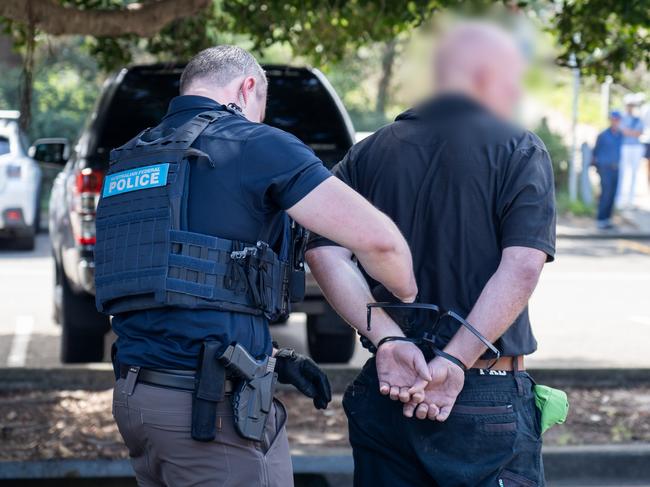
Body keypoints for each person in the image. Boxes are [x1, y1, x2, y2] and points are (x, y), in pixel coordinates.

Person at [94, 45, 417, 487]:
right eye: (261, 106)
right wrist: (407, 295)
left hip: (139, 399)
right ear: (248, 88)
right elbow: (380, 242)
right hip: (207, 414)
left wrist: (270, 361)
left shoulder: (132, 158)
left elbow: (176, 297)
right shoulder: (253, 144)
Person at [307, 22, 555, 486]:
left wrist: (388, 340)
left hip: (388, 388)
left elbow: (324, 254)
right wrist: (455, 361)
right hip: (486, 392)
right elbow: (522, 266)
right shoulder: (519, 149)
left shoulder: (366, 154)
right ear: (487, 75)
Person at [592, 110, 623, 229]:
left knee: (613, 194)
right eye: (613, 119)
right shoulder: (603, 135)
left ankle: (607, 219)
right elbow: (595, 152)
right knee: (605, 194)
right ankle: (600, 219)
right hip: (605, 169)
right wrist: (598, 167)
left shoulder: (620, 135)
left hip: (616, 168)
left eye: (617, 120)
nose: (615, 122)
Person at [617, 94, 645, 209]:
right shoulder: (622, 118)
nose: (630, 107)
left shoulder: (638, 118)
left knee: (634, 173)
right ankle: (620, 200)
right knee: (623, 173)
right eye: (629, 105)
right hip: (625, 147)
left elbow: (638, 132)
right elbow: (623, 131)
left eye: (632, 105)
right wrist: (630, 132)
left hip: (636, 148)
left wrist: (629, 132)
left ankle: (630, 200)